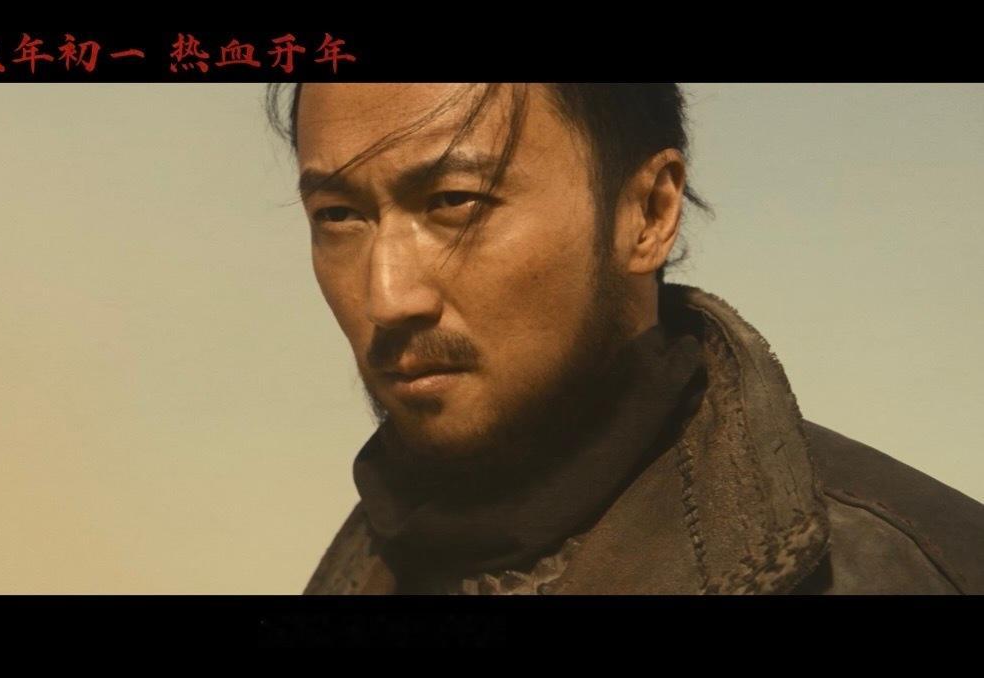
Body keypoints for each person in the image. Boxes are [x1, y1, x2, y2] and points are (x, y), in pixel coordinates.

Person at [266, 83, 984, 594]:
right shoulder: (376, 559)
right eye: (338, 215)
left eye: (455, 201)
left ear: (648, 212)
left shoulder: (907, 568)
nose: (387, 297)